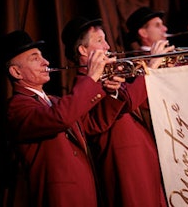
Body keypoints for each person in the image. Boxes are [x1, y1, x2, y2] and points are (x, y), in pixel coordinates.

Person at [2, 30, 126, 207]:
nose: (46, 62)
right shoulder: (17, 107)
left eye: (42, 56)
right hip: (59, 198)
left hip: (85, 192)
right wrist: (90, 79)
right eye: (35, 58)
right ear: (16, 72)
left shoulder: (55, 100)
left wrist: (111, 92)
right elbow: (60, 118)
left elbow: (93, 124)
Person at [61, 16, 170, 207]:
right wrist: (151, 67)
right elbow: (97, 122)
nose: (108, 46)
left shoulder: (109, 77)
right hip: (126, 169)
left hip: (144, 162)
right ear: (83, 50)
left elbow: (140, 103)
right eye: (99, 41)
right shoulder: (82, 87)